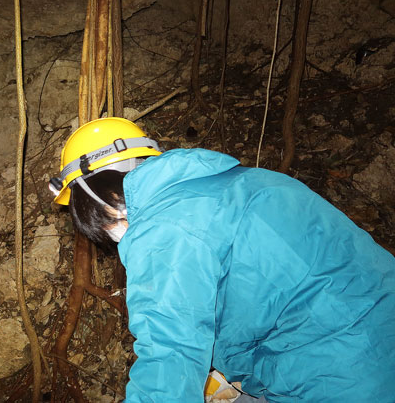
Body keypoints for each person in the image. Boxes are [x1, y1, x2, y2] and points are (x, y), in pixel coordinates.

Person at [48, 117, 395, 402]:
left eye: (103, 224)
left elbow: (168, 357)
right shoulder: (247, 181)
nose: (114, 237)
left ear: (99, 195)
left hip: (341, 375)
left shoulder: (162, 229)